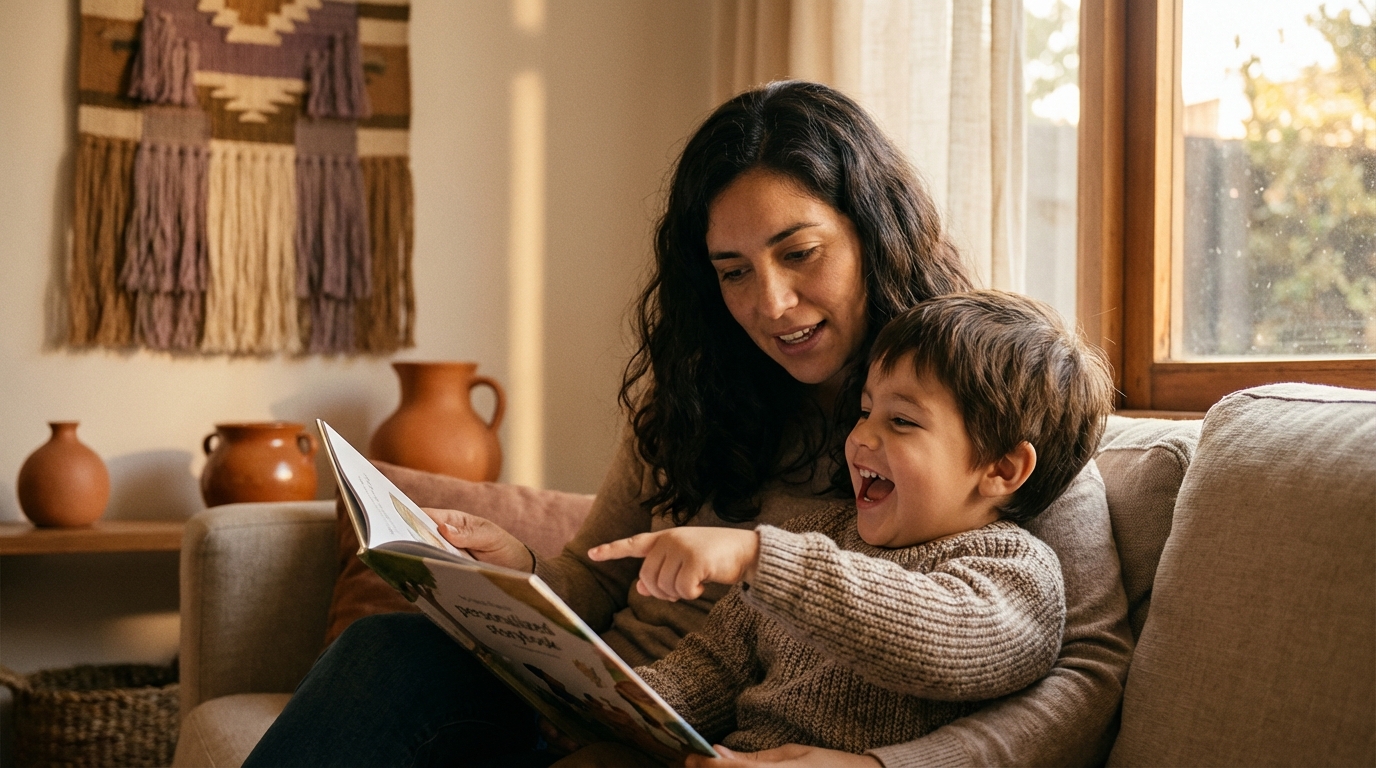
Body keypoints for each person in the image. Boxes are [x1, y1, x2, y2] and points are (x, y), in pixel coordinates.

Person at [244, 81, 1131, 768]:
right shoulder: (701, 389)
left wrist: (877, 764)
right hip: (614, 699)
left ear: (873, 230)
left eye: (800, 253)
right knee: (391, 651)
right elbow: (590, 588)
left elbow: (1087, 673)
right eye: (733, 271)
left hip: (720, 743)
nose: (772, 304)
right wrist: (517, 573)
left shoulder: (990, 404)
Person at [579, 290, 1114, 761]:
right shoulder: (824, 534)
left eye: (901, 420)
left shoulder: (1016, 571)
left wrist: (759, 558)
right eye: (864, 411)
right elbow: (716, 663)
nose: (860, 439)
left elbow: (932, 635)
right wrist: (621, 703)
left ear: (1001, 469)